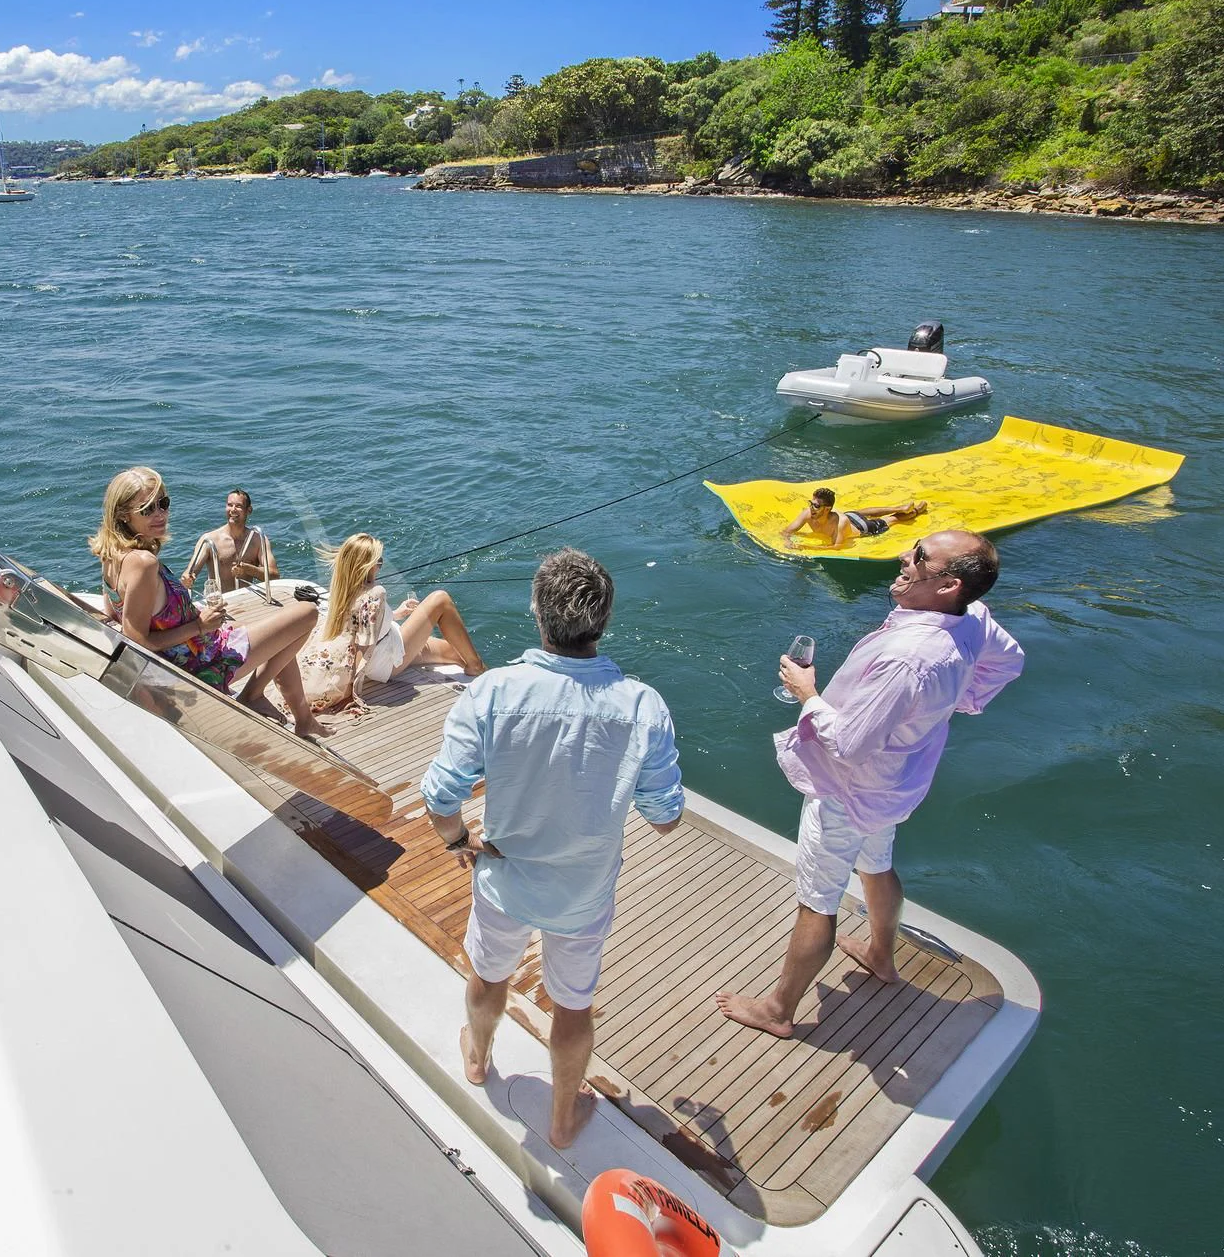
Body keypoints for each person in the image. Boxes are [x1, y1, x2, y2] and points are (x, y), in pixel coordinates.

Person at [421, 548, 684, 1149]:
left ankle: (480, 1059)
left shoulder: (491, 693)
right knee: (572, 1006)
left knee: (489, 977)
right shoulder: (643, 706)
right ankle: (563, 1119)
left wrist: (460, 842)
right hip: (584, 894)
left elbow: (439, 796)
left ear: (537, 613)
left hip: (504, 880)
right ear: (605, 620)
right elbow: (665, 817)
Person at [716, 529, 1024, 1039]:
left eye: (920, 556)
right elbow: (1010, 659)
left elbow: (849, 745)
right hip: (898, 785)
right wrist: (958, 699)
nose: (904, 556)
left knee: (818, 898)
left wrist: (807, 694)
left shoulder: (907, 658)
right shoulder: (972, 621)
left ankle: (778, 1010)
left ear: (948, 585)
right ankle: (882, 954)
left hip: (847, 792)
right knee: (877, 865)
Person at [88, 466, 328, 739]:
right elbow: (137, 640)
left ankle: (303, 719)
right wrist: (199, 626)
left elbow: (115, 611)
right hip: (202, 662)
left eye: (163, 504)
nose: (160, 514)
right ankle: (253, 694)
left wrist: (192, 618)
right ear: (123, 514)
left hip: (194, 648)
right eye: (147, 509)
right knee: (307, 612)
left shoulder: (111, 556)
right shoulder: (143, 563)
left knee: (280, 635)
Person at [295, 532, 487, 713]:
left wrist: (395, 614)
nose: (380, 565)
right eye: (379, 561)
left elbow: (360, 623)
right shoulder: (375, 593)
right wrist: (350, 692)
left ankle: (478, 670)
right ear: (369, 566)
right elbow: (362, 646)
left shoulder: (344, 588)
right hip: (387, 659)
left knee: (454, 651)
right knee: (440, 599)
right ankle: (478, 669)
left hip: (387, 646)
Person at [184, 488, 278, 592]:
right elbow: (190, 572)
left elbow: (274, 576)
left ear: (249, 510)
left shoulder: (258, 540)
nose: (233, 509)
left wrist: (249, 569)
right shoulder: (209, 540)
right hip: (218, 601)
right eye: (229, 505)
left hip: (246, 598)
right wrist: (188, 578)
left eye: (238, 506)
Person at [781, 488, 929, 550]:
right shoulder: (808, 513)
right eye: (811, 504)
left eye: (816, 506)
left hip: (862, 528)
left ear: (827, 509)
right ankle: (900, 507)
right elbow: (786, 532)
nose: (812, 508)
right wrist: (788, 541)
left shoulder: (840, 522)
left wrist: (806, 547)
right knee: (858, 512)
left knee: (892, 520)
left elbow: (837, 546)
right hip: (850, 515)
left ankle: (915, 511)